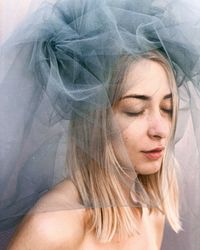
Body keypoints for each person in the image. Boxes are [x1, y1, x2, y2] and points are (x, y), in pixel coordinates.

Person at [1, 0, 200, 250]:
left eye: (167, 109)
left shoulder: (152, 214)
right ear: (95, 121)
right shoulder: (52, 226)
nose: (160, 130)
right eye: (135, 110)